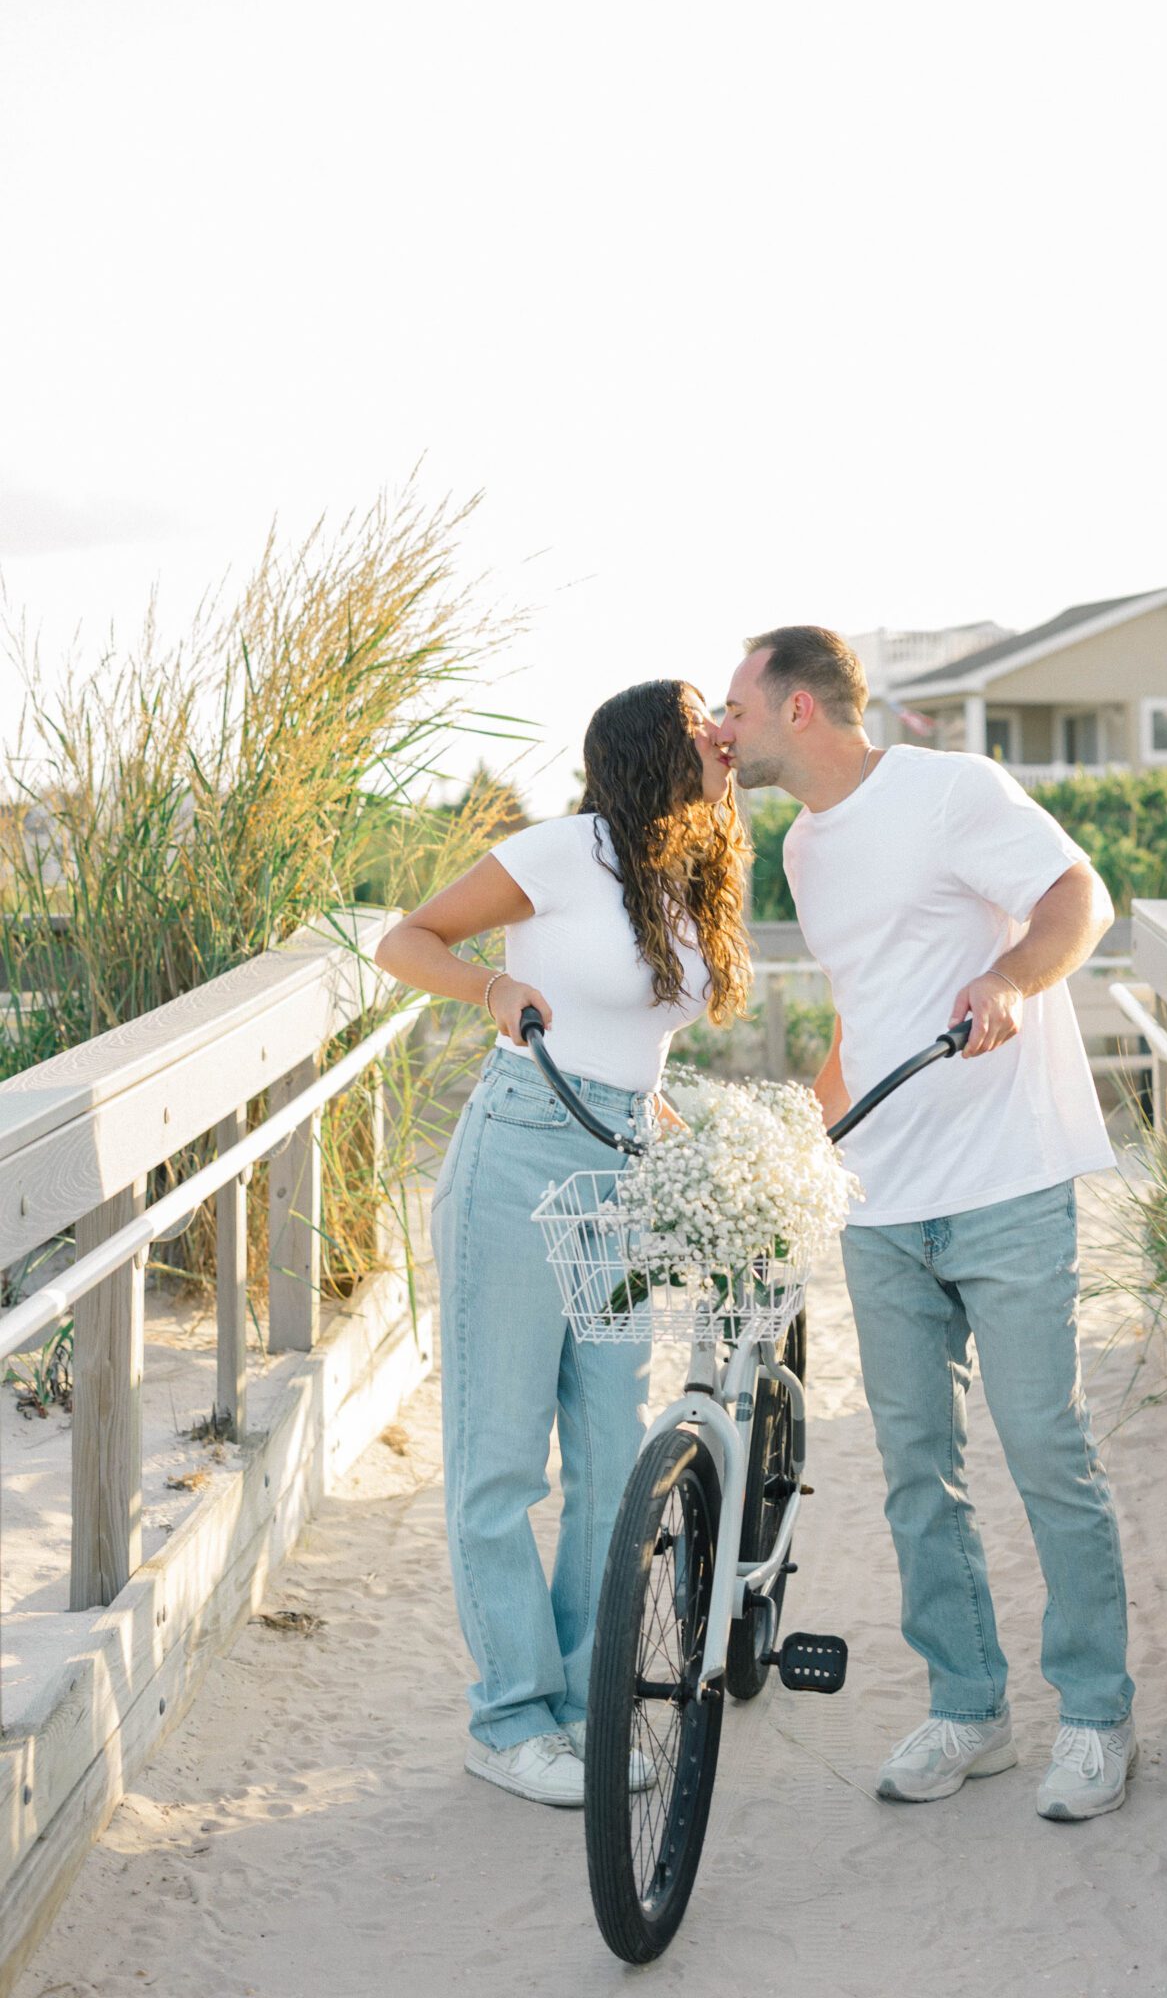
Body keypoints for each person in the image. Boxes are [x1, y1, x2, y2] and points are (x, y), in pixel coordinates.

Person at [717, 627, 1135, 1822]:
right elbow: (866, 1017)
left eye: (736, 705)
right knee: (916, 1469)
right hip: (882, 1199)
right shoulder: (803, 847)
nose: (723, 728)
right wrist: (798, 1139)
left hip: (1006, 1179)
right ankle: (970, 1708)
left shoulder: (951, 790)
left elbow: (1080, 896)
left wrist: (1011, 979)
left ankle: (1096, 1716)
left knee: (1045, 1448)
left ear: (798, 707)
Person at [374, 681, 748, 1806]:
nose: (721, 735)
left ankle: (586, 1707)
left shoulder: (682, 867)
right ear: (651, 747)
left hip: (621, 1164)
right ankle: (508, 1719)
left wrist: (665, 1118)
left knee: (610, 1455)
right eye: (701, 719)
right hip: (520, 1157)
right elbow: (405, 939)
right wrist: (490, 982)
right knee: (500, 1458)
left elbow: (634, 1032)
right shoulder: (559, 850)